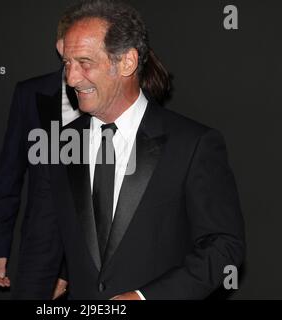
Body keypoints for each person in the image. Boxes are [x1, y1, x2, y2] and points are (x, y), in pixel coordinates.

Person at [14, 0, 246, 300]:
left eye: (84, 62)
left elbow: (224, 246)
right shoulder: (56, 143)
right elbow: (40, 249)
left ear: (127, 62)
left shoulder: (192, 144)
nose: (70, 78)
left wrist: (145, 298)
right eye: (67, 63)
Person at [0, 15, 81, 299]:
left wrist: (65, 271)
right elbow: (9, 173)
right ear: (61, 46)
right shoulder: (30, 94)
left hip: (95, 257)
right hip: (39, 249)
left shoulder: (112, 101)